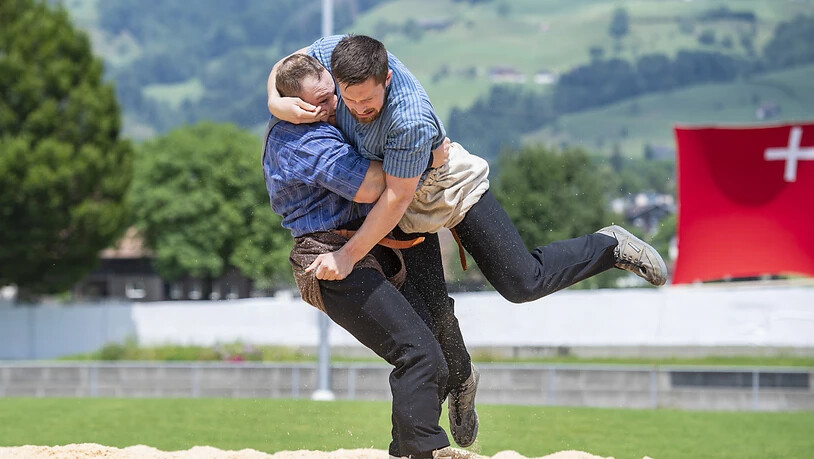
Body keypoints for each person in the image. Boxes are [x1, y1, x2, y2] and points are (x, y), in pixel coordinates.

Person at [267, 34, 669, 446]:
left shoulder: (408, 118)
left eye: (365, 101)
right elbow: (289, 63)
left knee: (521, 282)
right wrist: (276, 103)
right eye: (346, 100)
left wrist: (350, 255)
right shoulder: (337, 68)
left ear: (386, 79)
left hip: (440, 185)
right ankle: (459, 385)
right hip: (396, 207)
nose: (354, 110)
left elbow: (393, 196)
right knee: (431, 321)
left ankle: (610, 246)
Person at [263, 53, 460, 458]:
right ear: (294, 105)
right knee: (419, 354)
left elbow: (294, 58)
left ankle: (403, 449)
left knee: (432, 362)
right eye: (317, 103)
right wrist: (422, 150)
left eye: (331, 95)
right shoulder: (303, 139)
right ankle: (423, 452)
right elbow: (373, 187)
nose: (332, 105)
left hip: (361, 251)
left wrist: (273, 98)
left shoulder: (322, 113)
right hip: (329, 261)